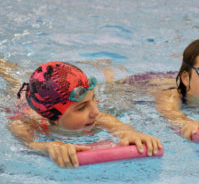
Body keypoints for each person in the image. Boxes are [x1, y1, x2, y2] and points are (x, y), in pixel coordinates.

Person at [8, 61, 162, 168]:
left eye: (93, 99)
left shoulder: (98, 118)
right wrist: (48, 146)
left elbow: (120, 128)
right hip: (21, 103)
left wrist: (130, 133)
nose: (95, 112)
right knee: (13, 82)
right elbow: (29, 144)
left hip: (46, 96)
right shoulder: (27, 123)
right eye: (81, 108)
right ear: (53, 117)